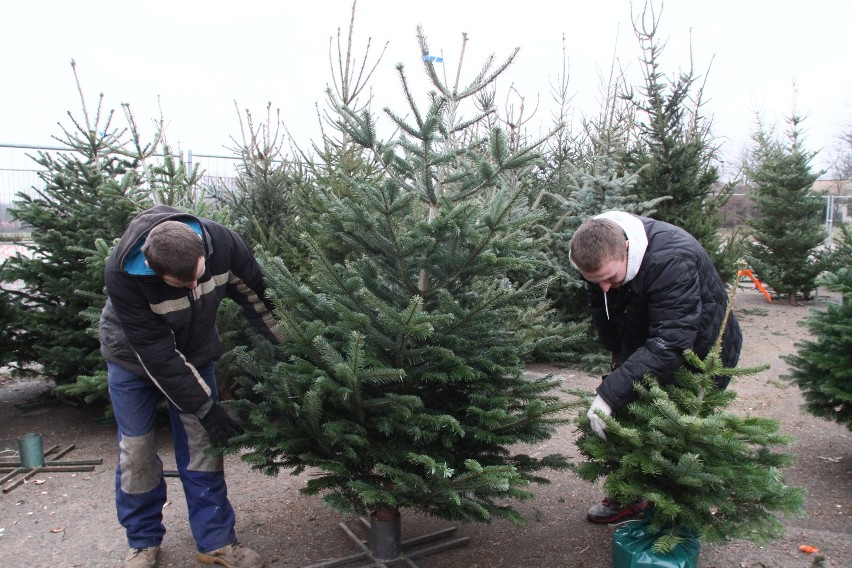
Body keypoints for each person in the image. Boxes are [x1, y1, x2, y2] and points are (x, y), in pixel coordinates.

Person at [99, 205, 283, 568]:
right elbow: (157, 354)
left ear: (202, 250)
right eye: (182, 285)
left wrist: (296, 349)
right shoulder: (122, 275)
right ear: (153, 268)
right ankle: (143, 541)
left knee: (202, 445)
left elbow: (261, 302)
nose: (195, 288)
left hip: (195, 350)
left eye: (198, 277)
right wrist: (206, 406)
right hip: (132, 359)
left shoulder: (224, 244)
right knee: (136, 450)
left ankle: (215, 542)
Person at [569, 211, 742, 524]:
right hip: (649, 340)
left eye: (610, 278)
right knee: (632, 415)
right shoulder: (597, 259)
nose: (605, 287)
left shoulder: (672, 259)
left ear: (626, 250)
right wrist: (620, 360)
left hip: (703, 352)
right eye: (596, 281)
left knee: (679, 430)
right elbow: (604, 311)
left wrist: (608, 394)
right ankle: (630, 497)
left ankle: (676, 514)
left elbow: (672, 342)